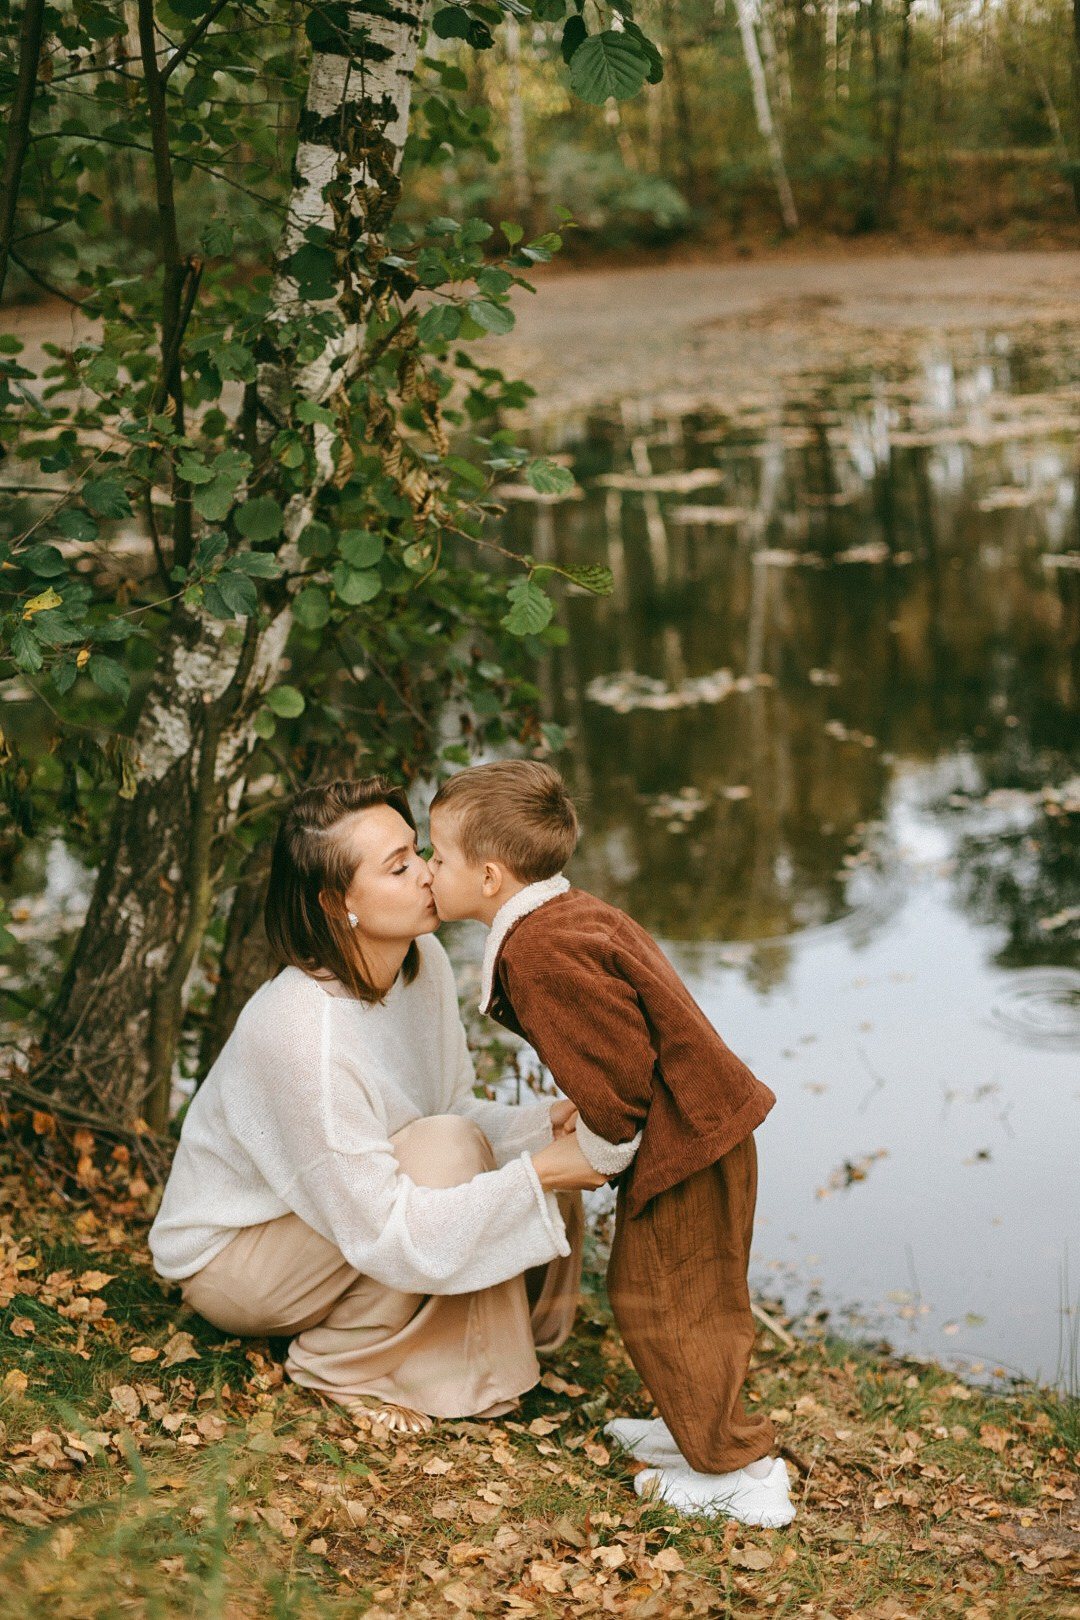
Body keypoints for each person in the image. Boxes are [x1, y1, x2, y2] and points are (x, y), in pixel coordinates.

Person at [149, 777, 606, 1433]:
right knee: (466, 1154)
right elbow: (386, 1224)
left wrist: (544, 1127)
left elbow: (448, 1107)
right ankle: (342, 1364)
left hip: (335, 1212)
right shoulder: (303, 1032)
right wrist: (540, 1174)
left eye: (418, 852)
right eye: (398, 868)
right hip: (238, 1265)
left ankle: (468, 1352)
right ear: (337, 903)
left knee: (514, 1144)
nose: (426, 874)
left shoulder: (425, 961)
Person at [427, 760, 794, 1527]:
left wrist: (599, 1140)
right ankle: (693, 1427)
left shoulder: (539, 949)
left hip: (689, 1142)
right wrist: (587, 1101)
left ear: (490, 876)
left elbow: (623, 1077)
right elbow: (624, 1036)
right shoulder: (564, 917)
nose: (430, 870)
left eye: (437, 856)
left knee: (669, 1298)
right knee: (676, 1291)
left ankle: (739, 1473)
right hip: (695, 1127)